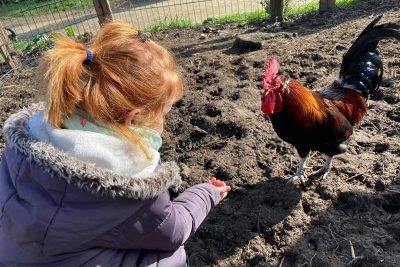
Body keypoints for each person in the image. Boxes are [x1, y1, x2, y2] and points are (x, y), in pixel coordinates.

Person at [0, 21, 231, 267]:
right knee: (170, 257)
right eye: (164, 113)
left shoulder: (27, 140)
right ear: (133, 117)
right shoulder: (129, 186)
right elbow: (173, 230)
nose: (164, 122)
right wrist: (206, 193)